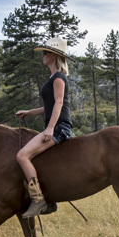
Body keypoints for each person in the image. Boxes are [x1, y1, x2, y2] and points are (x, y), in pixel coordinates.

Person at [15, 38, 72, 218]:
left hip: (60, 127)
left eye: (46, 52)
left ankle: (38, 200)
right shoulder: (53, 77)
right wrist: (28, 113)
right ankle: (49, 197)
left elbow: (59, 103)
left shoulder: (58, 77)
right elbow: (49, 107)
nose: (43, 55)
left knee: (22, 155)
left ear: (54, 55)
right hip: (56, 126)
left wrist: (50, 128)